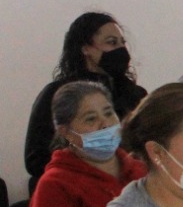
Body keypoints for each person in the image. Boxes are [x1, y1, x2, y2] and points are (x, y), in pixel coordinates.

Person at [25, 12, 148, 185]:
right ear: (86, 49)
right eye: (111, 42)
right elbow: (35, 159)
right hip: (77, 186)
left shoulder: (135, 94)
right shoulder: (56, 94)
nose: (121, 50)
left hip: (130, 185)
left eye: (122, 43)